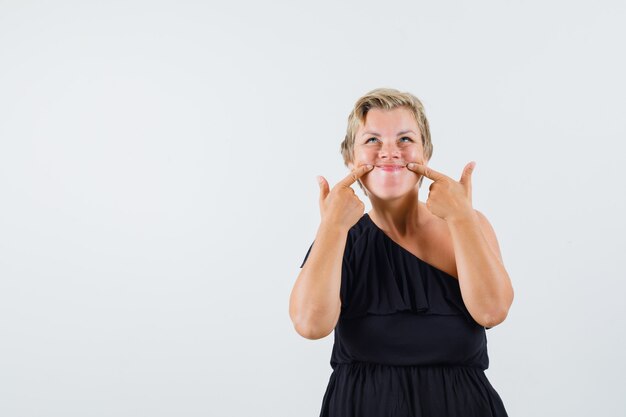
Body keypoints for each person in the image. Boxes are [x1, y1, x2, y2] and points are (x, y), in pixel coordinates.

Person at [288, 88, 515, 417]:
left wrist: (463, 218)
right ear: (351, 159)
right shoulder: (341, 237)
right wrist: (332, 228)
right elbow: (309, 325)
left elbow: (493, 311)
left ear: (426, 153)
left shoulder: (468, 224)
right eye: (372, 140)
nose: (389, 151)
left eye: (405, 139)